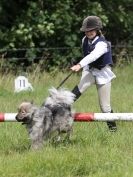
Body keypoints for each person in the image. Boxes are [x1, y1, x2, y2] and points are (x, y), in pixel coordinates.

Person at [71, 15, 117, 132]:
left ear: (97, 30)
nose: (89, 32)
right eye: (87, 30)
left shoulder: (103, 44)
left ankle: (113, 130)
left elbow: (93, 56)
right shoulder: (84, 40)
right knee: (79, 88)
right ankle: (62, 107)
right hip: (90, 71)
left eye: (91, 30)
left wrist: (79, 65)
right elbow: (87, 56)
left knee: (105, 107)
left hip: (103, 74)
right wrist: (83, 69)